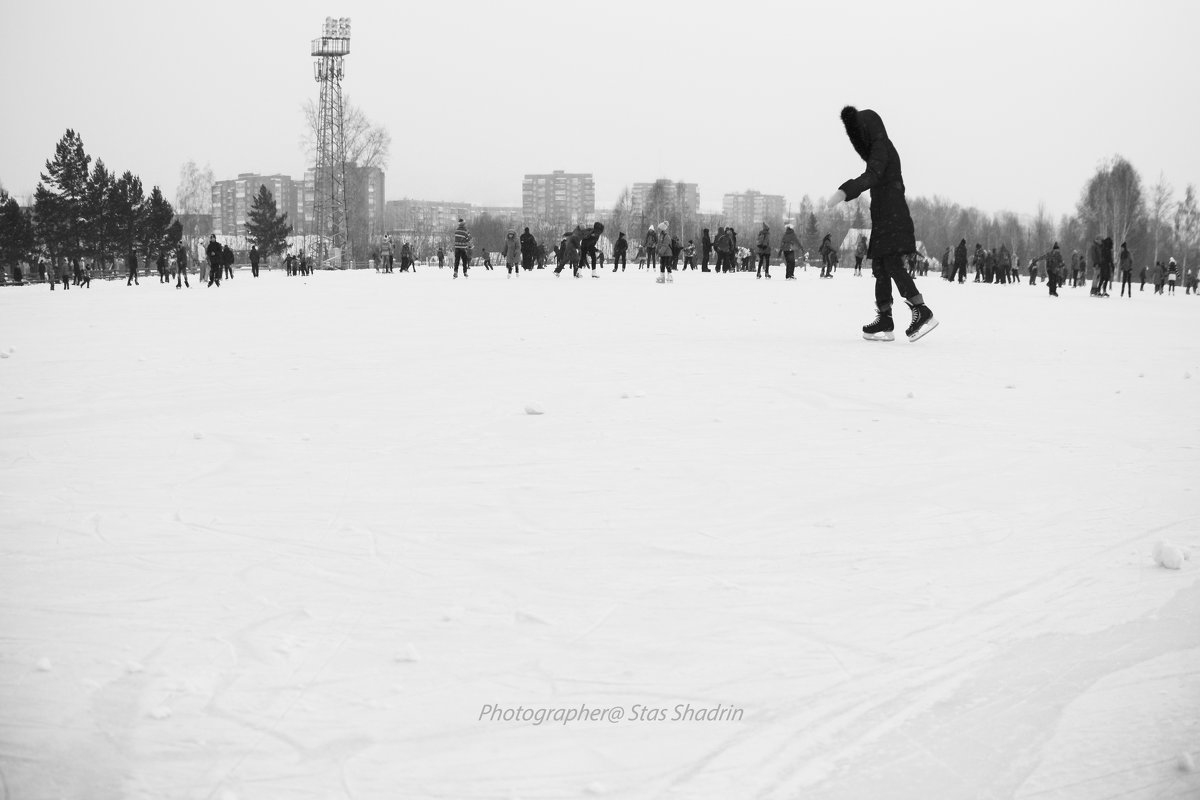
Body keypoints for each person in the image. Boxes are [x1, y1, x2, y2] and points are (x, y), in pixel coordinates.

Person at [831, 105, 936, 341]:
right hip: (885, 217)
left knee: (891, 264)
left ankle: (921, 310)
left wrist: (846, 191)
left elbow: (873, 175)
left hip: (893, 217)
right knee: (880, 267)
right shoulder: (877, 149)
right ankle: (885, 318)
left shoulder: (881, 147)